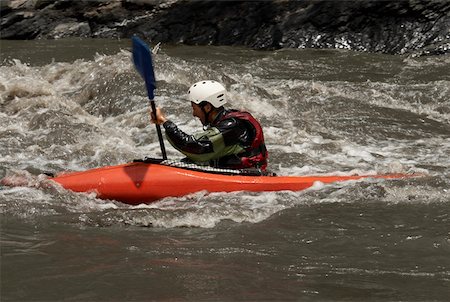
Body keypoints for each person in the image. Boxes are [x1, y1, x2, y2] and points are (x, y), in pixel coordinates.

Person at [151, 80, 268, 171]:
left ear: (207, 107)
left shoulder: (231, 126)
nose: (194, 114)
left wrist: (164, 122)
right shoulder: (224, 121)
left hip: (246, 175)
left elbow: (196, 148)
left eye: (194, 108)